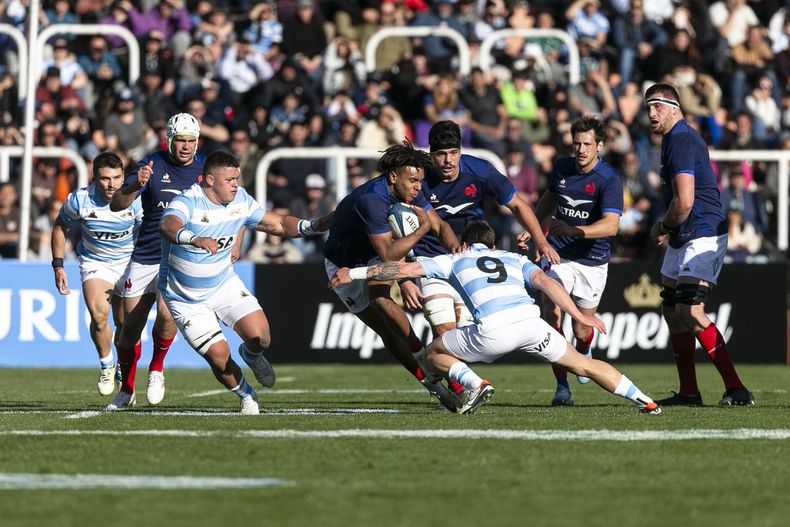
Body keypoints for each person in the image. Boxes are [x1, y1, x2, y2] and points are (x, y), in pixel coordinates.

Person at [329, 221, 661, 416]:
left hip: (493, 330)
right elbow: (547, 282)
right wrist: (579, 315)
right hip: (532, 326)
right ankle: (645, 401)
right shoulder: (513, 258)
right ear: (492, 244)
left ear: (464, 243)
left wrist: (354, 273)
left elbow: (398, 268)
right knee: (582, 364)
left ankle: (476, 383)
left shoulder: (452, 259)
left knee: (433, 353)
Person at [158, 150, 330, 414]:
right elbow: (168, 225)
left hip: (223, 284)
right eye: (230, 179)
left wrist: (313, 225)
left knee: (261, 337)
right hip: (185, 297)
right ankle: (246, 395)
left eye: (237, 178)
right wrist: (193, 238)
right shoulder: (188, 201)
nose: (236, 184)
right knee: (218, 357)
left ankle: (251, 355)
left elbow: (279, 223)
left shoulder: (241, 200)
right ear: (209, 180)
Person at [403, 120, 560, 397]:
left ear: (461, 151)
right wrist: (406, 278)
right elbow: (399, 225)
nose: (448, 160)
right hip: (432, 260)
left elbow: (517, 204)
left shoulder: (481, 170)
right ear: (431, 154)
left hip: (470, 263)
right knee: (444, 330)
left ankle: (459, 383)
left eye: (453, 152)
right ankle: (467, 388)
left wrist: (542, 241)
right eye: (441, 154)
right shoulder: (418, 177)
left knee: (461, 335)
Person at [322, 142, 462, 411]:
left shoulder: (409, 190)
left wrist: (458, 255)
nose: (418, 188)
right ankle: (427, 368)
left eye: (420, 181)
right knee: (384, 329)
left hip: (376, 254)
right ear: (393, 177)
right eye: (413, 180)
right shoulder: (372, 199)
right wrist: (421, 231)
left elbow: (439, 225)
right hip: (342, 262)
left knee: (380, 298)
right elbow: (388, 252)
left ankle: (438, 370)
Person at [645, 83, 754, 406]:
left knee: (690, 310)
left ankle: (737, 389)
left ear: (675, 108)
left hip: (702, 232)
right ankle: (689, 392)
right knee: (671, 310)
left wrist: (663, 225)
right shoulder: (673, 139)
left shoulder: (680, 139)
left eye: (658, 106)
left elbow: (686, 201)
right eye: (648, 107)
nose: (651, 113)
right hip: (685, 233)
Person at [106, 113, 211, 411]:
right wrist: (134, 186)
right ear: (170, 140)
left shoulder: (206, 171)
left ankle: (156, 369)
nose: (187, 147)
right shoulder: (150, 164)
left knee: (167, 315)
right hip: (146, 255)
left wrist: (234, 242)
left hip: (179, 258)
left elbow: (233, 202)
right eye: (181, 141)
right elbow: (117, 204)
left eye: (192, 141)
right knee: (128, 328)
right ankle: (126, 390)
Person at [532, 116, 623, 406]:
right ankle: (562, 387)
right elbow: (549, 198)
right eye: (576, 144)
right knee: (551, 313)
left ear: (600, 146)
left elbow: (611, 226)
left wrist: (574, 230)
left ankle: (584, 348)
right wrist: (534, 229)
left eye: (587, 144)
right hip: (558, 254)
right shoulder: (561, 167)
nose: (581, 149)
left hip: (592, 261)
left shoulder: (608, 179)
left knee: (581, 328)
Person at [51, 152, 143, 396]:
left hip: (129, 263)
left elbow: (150, 234)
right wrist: (58, 265)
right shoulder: (80, 199)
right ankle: (106, 364)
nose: (111, 184)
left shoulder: (135, 199)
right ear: (94, 178)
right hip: (96, 263)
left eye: (116, 177)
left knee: (125, 324)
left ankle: (123, 367)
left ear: (124, 175)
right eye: (104, 178)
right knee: (99, 314)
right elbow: (60, 226)